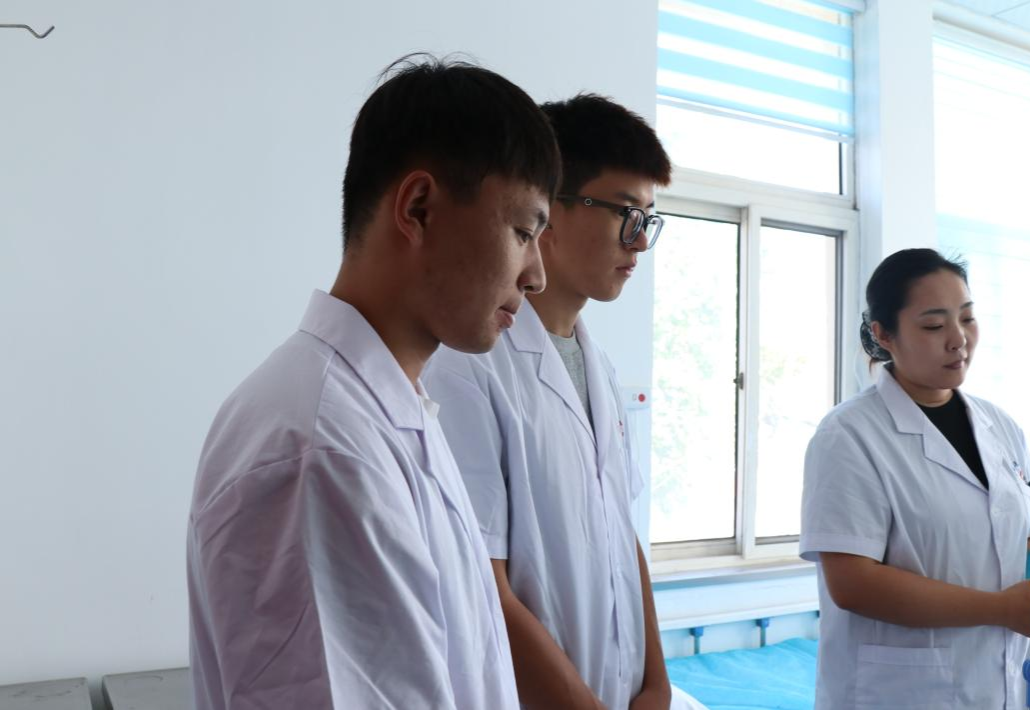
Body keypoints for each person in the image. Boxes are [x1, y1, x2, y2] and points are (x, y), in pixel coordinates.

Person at [186, 56, 560, 709]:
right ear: (418, 208)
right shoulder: (323, 448)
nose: (536, 276)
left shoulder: (385, 410)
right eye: (524, 231)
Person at [799, 248, 1030, 708]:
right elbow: (853, 584)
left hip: (998, 682)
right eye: (934, 326)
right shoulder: (848, 435)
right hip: (902, 692)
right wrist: (998, 609)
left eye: (967, 318)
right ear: (884, 334)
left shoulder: (999, 426)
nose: (958, 340)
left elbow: (1023, 550)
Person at [423, 93, 678, 709]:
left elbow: (622, 533)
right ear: (549, 208)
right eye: (626, 214)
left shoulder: (600, 368)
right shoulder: (467, 366)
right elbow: (482, 582)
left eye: (649, 220)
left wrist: (657, 683)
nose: (640, 243)